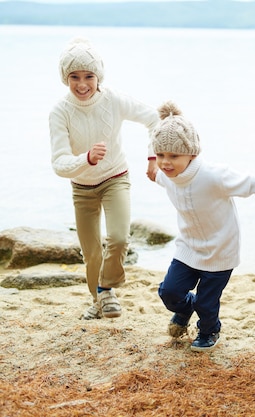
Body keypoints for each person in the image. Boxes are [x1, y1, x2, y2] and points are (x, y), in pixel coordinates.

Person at [150, 101, 255, 352]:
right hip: (188, 248)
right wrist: (151, 163)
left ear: (192, 153)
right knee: (169, 292)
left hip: (220, 251)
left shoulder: (214, 176)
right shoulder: (166, 176)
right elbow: (154, 172)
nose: (166, 163)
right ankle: (185, 309)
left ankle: (210, 330)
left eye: (173, 156)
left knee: (207, 304)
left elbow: (253, 183)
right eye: (161, 155)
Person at [49, 37, 160, 320]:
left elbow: (154, 119)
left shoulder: (114, 100)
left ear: (99, 76)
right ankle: (100, 300)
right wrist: (85, 158)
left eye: (89, 76)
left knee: (120, 238)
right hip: (81, 188)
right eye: (74, 77)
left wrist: (152, 156)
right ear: (66, 78)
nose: (82, 84)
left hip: (115, 178)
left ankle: (106, 288)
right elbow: (60, 164)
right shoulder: (60, 112)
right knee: (91, 253)